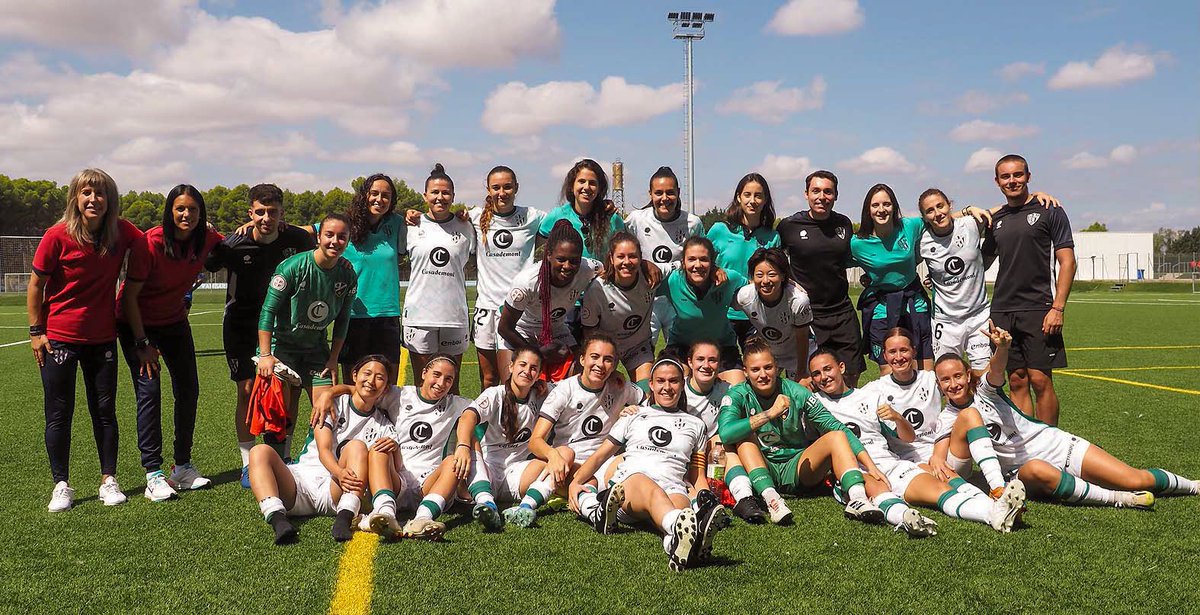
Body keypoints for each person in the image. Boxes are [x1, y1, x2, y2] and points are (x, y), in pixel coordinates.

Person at [931, 322, 1199, 508]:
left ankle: (1193, 486)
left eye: (957, 376)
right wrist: (933, 458)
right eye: (945, 380)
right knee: (1035, 468)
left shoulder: (987, 391)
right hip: (1022, 471)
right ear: (939, 384)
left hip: (1054, 445)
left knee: (1135, 479)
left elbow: (997, 370)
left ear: (968, 375)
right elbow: (946, 459)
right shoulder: (948, 418)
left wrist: (1002, 348)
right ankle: (1115, 498)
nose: (953, 384)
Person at [809, 348, 1026, 534]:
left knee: (941, 491)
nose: (823, 377)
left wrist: (896, 417)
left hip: (891, 464)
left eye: (827, 369)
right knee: (877, 490)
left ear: (841, 368)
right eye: (816, 374)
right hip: (854, 470)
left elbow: (906, 437)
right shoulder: (812, 403)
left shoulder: (869, 396)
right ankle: (905, 518)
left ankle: (994, 511)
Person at [29, 168, 145, 512]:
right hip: (59, 339)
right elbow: (36, 286)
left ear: (110, 200)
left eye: (100, 193)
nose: (93, 199)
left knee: (105, 412)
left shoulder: (120, 232)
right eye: (86, 193)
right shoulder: (56, 236)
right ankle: (61, 484)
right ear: (76, 198)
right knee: (59, 414)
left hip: (102, 338)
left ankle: (108, 480)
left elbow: (151, 238)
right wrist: (36, 332)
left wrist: (208, 231)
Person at [569, 358, 728, 571]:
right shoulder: (634, 416)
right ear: (651, 384)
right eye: (660, 381)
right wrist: (575, 481)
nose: (667, 387)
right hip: (630, 488)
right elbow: (600, 456)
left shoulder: (697, 425)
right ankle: (679, 529)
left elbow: (696, 476)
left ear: (682, 384)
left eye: (673, 381)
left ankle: (676, 545)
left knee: (683, 513)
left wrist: (705, 502)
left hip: (673, 487)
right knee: (652, 491)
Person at [117, 184, 223, 501]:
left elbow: (238, 241)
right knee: (150, 391)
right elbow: (129, 300)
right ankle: (153, 474)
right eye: (180, 208)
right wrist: (142, 343)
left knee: (188, 388)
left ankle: (183, 467)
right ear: (170, 211)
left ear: (201, 213)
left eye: (192, 209)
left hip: (174, 320)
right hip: (136, 322)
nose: (186, 214)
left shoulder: (207, 239)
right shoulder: (149, 244)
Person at [205, 183, 315, 486]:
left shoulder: (298, 239)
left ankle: (282, 456)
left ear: (282, 213)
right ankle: (247, 463)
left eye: (273, 212)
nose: (266, 218)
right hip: (241, 327)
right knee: (247, 391)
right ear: (250, 213)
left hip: (282, 327)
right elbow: (204, 261)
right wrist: (211, 233)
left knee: (286, 390)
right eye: (260, 212)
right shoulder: (234, 243)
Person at [716, 338, 886, 525]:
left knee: (836, 436)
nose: (763, 374)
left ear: (777, 367)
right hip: (762, 465)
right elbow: (725, 433)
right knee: (744, 437)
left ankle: (857, 499)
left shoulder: (796, 392)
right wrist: (769, 414)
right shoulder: (737, 394)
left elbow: (836, 426)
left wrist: (870, 466)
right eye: (755, 370)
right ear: (745, 373)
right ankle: (773, 500)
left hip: (796, 467)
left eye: (768, 367)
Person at [248, 354, 393, 544]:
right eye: (367, 373)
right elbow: (324, 450)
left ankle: (344, 518)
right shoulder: (330, 404)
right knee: (259, 452)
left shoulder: (383, 424)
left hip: (336, 491)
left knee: (356, 447)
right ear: (355, 375)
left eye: (380, 377)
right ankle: (278, 520)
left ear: (386, 387)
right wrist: (339, 471)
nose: (372, 381)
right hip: (300, 483)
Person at [256, 213, 358, 462]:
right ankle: (280, 463)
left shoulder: (347, 274)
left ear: (348, 240)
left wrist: (333, 359)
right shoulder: (293, 266)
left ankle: (317, 463)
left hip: (315, 352)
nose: (335, 241)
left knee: (326, 408)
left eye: (342, 237)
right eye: (330, 235)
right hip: (283, 351)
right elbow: (267, 311)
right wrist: (266, 356)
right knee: (282, 412)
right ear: (319, 237)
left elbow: (344, 320)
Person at [982, 154, 1075, 425]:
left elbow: (1067, 261)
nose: (1012, 181)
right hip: (1002, 310)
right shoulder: (995, 218)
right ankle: (1028, 445)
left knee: (1040, 379)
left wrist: (1057, 308)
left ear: (1028, 176)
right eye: (1006, 176)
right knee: (1016, 379)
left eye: (1018, 175)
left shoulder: (1050, 210)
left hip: (1039, 308)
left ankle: (1050, 445)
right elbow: (981, 262)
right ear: (997, 181)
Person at [776, 170, 865, 387]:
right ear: (806, 194)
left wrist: (871, 276)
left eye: (828, 192)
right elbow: (774, 261)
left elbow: (858, 255)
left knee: (851, 375)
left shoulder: (843, 224)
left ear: (835, 195)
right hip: (808, 315)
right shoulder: (789, 226)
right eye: (816, 191)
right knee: (811, 380)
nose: (821, 197)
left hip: (842, 310)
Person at [451, 346, 554, 530]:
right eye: (522, 365)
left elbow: (575, 385)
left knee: (551, 464)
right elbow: (467, 417)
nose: (527, 371)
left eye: (533, 368)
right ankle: (486, 504)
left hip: (517, 473)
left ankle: (525, 508)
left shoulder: (542, 394)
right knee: (472, 439)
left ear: (539, 374)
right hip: (486, 470)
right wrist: (463, 446)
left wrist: (612, 377)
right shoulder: (495, 394)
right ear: (511, 367)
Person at [374, 354, 473, 539]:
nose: (441, 383)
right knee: (379, 449)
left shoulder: (455, 404)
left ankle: (422, 518)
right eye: (436, 374)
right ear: (424, 373)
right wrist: (331, 393)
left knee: (453, 461)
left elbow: (486, 407)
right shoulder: (400, 394)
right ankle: (385, 512)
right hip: (398, 478)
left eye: (448, 379)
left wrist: (464, 445)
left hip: (429, 483)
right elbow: (362, 394)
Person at [323, 173, 408, 384]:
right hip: (352, 316)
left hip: (387, 316)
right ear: (364, 195)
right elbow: (315, 231)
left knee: (387, 388)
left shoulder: (397, 223)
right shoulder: (346, 224)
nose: (379, 199)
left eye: (386, 195)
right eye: (374, 193)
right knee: (353, 386)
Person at [529, 334, 644, 489]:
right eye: (594, 357)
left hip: (604, 461)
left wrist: (635, 413)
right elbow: (535, 441)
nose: (600, 364)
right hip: (570, 462)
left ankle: (601, 494)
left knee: (637, 463)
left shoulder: (620, 386)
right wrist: (553, 455)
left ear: (615, 365)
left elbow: (651, 404)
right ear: (582, 359)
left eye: (608, 359)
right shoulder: (564, 389)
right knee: (584, 478)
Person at [469, 166, 544, 389]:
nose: (502, 192)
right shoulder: (474, 216)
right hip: (487, 309)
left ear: (516, 188)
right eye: (496, 187)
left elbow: (564, 218)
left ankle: (516, 423)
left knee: (513, 379)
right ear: (488, 190)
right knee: (488, 379)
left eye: (507, 187)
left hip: (518, 311)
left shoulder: (532, 216)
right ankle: (486, 425)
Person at [403, 164, 475, 390]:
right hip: (419, 317)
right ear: (425, 196)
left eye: (446, 193)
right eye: (435, 192)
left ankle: (453, 426)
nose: (440, 197)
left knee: (451, 386)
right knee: (422, 384)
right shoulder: (411, 226)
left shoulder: (466, 226)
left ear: (453, 196)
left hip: (454, 317)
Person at [678, 342, 768, 523]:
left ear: (719, 365)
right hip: (683, 455)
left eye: (712, 360)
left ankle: (744, 498)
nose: (706, 365)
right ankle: (705, 506)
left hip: (714, 456)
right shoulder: (678, 389)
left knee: (723, 441)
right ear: (690, 362)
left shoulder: (727, 391)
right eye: (700, 359)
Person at [850, 184, 935, 373]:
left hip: (914, 303)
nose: (881, 210)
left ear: (894, 207)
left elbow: (939, 219)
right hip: (882, 308)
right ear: (868, 210)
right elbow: (829, 263)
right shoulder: (858, 243)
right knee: (889, 373)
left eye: (886, 204)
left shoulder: (909, 226)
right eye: (875, 205)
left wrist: (969, 211)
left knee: (925, 374)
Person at [498, 220, 597, 381]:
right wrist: (538, 353)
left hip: (556, 329)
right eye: (561, 259)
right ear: (549, 255)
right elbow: (504, 328)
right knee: (514, 386)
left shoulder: (588, 269)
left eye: (574, 261)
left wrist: (645, 264)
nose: (567, 266)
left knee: (582, 377)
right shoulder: (527, 282)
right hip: (519, 331)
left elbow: (611, 269)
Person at [623, 166, 704, 346]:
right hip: (644, 298)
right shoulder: (636, 219)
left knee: (682, 355)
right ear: (650, 194)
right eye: (658, 193)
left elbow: (701, 259)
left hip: (678, 300)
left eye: (670, 192)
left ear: (678, 193)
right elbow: (620, 249)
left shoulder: (692, 223)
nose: (664, 198)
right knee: (642, 355)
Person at [705, 173, 781, 348]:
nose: (752, 200)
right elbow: (703, 264)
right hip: (722, 313)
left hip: (757, 315)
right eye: (747, 194)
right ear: (738, 197)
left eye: (758, 195)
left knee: (759, 368)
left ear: (765, 200)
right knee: (723, 369)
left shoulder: (772, 237)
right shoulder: (720, 230)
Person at [658, 236, 746, 383]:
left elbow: (753, 288)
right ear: (683, 263)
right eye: (691, 259)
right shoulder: (673, 281)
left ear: (712, 263)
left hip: (721, 346)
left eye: (704, 259)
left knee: (738, 390)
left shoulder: (728, 279)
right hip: (682, 346)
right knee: (673, 383)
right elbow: (641, 287)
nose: (697, 265)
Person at [580, 232, 657, 381]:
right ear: (611, 258)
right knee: (598, 391)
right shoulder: (597, 289)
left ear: (641, 258)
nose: (627, 262)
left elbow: (683, 268)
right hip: (606, 350)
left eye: (633, 256)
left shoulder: (651, 277)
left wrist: (714, 270)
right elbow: (589, 332)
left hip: (637, 347)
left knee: (646, 393)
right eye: (621, 256)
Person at [732, 247, 813, 378]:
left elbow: (802, 337)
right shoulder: (745, 296)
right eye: (759, 275)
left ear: (783, 276)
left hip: (799, 354)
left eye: (771, 274)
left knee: (802, 392)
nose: (765, 281)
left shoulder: (798, 300)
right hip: (770, 354)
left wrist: (802, 372)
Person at [538, 158, 626, 261]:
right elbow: (538, 250)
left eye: (592, 183)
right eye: (581, 181)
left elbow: (622, 254)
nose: (586, 187)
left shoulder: (612, 219)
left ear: (599, 188)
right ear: (572, 186)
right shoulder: (556, 216)